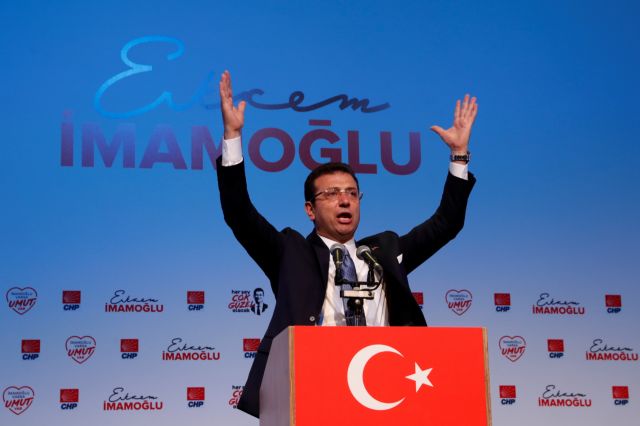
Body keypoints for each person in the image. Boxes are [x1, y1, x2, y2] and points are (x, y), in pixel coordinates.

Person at [216, 70, 477, 418]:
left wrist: (459, 155)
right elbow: (239, 214)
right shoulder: (291, 252)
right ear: (310, 210)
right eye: (332, 194)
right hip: (312, 389)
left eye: (352, 193)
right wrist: (233, 136)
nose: (344, 200)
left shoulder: (385, 251)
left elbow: (446, 224)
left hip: (386, 387)